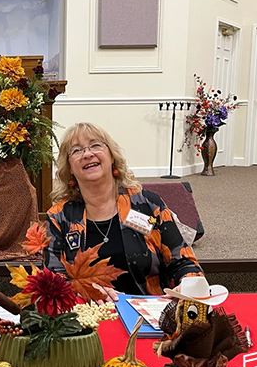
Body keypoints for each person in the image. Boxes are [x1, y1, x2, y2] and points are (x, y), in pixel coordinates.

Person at [44, 122, 203, 300]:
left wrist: (188, 283)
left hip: (151, 313)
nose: (88, 154)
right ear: (70, 168)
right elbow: (53, 280)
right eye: (76, 150)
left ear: (112, 157)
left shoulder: (147, 205)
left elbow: (183, 262)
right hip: (89, 316)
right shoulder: (59, 217)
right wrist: (88, 291)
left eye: (95, 145)